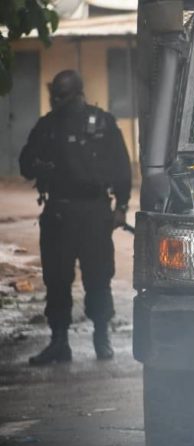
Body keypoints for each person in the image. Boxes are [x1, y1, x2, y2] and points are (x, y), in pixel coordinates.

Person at [19, 70, 131, 365]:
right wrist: (38, 164)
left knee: (98, 277)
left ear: (78, 93)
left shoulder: (103, 123)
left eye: (62, 95)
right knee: (56, 279)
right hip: (59, 212)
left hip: (94, 212)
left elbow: (121, 167)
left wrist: (121, 206)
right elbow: (25, 164)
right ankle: (59, 342)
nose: (57, 100)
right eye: (54, 94)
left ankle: (101, 336)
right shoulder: (47, 126)